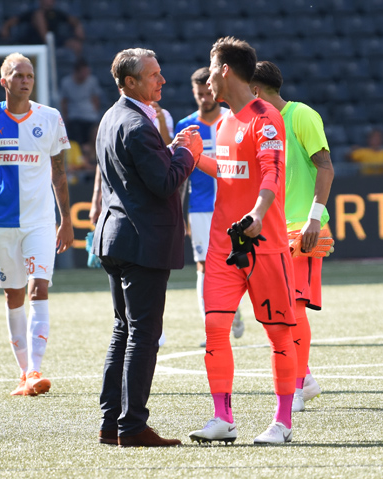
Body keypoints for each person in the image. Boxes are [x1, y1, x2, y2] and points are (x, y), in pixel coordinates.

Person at [90, 48, 202, 447]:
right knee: (142, 333)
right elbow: (163, 183)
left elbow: (140, 173)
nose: (162, 80)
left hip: (116, 236)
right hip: (142, 240)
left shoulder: (111, 117)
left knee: (123, 330)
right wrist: (188, 153)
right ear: (130, 82)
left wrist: (171, 151)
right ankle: (133, 425)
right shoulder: (138, 124)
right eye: (154, 75)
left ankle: (111, 423)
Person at [187, 37, 297, 445]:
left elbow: (272, 172)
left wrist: (258, 213)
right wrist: (196, 157)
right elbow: (230, 171)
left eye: (211, 70)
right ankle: (223, 418)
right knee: (215, 326)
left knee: (278, 334)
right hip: (223, 245)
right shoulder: (223, 123)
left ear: (225, 70)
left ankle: (282, 422)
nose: (207, 81)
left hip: (264, 242)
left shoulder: (266, 117)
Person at [0, 52, 74, 398]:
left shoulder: (50, 118)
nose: (26, 81)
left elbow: (59, 173)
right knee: (14, 293)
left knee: (40, 288)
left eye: (30, 75)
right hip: (1, 221)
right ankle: (24, 373)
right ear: (4, 81)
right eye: (19, 75)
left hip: (41, 220)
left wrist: (66, 219)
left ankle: (36, 369)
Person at [250, 60, 334, 412]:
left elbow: (326, 166)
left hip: (303, 229)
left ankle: (296, 387)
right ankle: (306, 378)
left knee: (295, 309)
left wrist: (314, 219)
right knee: (278, 311)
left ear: (256, 90)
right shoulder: (259, 124)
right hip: (273, 229)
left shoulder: (301, 116)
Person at [175, 66, 244, 347]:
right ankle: (211, 325)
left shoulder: (233, 119)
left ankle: (234, 310)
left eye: (208, 93)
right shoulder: (186, 126)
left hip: (234, 205)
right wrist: (179, 213)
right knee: (204, 265)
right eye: (199, 94)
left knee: (237, 262)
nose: (205, 99)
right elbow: (181, 174)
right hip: (201, 207)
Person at [1, 0, 84, 56]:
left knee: (76, 45)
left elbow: (73, 21)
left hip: (55, 41)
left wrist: (78, 27)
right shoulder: (33, 12)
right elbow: (12, 21)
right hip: (34, 42)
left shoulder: (57, 13)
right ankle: (47, 43)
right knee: (38, 15)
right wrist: (5, 28)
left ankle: (78, 69)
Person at [59, 57, 102, 147]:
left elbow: (95, 99)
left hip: (90, 117)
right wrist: (65, 118)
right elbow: (64, 102)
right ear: (76, 71)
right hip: (74, 118)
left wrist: (95, 113)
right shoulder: (66, 83)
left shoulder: (92, 81)